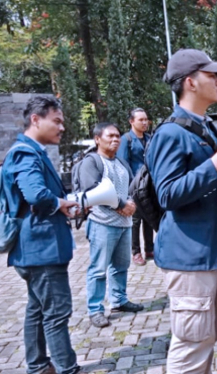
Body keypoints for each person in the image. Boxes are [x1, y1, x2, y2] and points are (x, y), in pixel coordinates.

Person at [149, 48, 217, 373]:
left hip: (212, 252)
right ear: (190, 82)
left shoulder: (204, 126)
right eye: (211, 75)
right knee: (191, 345)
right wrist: (214, 165)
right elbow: (168, 194)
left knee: (206, 338)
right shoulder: (171, 133)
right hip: (191, 257)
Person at [2, 96, 86, 374]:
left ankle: (38, 366)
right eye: (57, 121)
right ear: (36, 119)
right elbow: (36, 195)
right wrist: (60, 204)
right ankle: (67, 368)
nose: (62, 128)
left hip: (36, 249)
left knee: (37, 310)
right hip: (41, 250)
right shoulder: (25, 152)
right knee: (56, 313)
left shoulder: (31, 150)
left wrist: (59, 205)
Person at [80, 122, 144, 328]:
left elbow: (131, 186)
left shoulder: (121, 163)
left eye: (118, 136)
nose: (115, 139)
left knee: (121, 266)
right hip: (102, 224)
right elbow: (92, 192)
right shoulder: (92, 162)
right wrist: (122, 205)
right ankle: (95, 309)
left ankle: (119, 300)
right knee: (98, 270)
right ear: (98, 139)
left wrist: (132, 203)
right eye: (110, 136)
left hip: (124, 224)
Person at [117, 107, 154, 266]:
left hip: (149, 185)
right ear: (132, 121)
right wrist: (131, 185)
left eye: (146, 119)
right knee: (136, 220)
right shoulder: (126, 140)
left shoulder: (149, 138)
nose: (145, 122)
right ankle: (136, 251)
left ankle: (150, 249)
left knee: (149, 218)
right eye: (141, 120)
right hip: (134, 187)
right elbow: (123, 164)